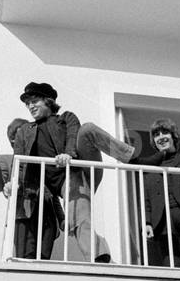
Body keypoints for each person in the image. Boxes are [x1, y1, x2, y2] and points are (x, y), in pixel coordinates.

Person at [13, 82, 136, 262]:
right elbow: (20, 162)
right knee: (79, 215)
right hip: (63, 184)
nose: (30, 106)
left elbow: (73, 135)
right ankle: (99, 257)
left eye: (34, 101)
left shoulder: (66, 118)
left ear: (48, 101)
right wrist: (13, 183)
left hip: (80, 170)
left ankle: (131, 157)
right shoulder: (25, 131)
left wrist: (68, 154)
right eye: (27, 103)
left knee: (87, 129)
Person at [0, 117, 63, 260]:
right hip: (24, 215)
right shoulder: (7, 160)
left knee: (43, 260)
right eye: (26, 132)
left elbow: (52, 193)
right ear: (14, 139)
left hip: (48, 216)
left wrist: (61, 218)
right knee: (26, 258)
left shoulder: (41, 161)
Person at [141, 119, 180, 268]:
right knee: (171, 264)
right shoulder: (151, 167)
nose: (161, 137)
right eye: (156, 135)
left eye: (165, 132)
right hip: (162, 220)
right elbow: (146, 198)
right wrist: (147, 222)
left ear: (174, 136)